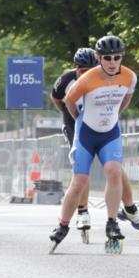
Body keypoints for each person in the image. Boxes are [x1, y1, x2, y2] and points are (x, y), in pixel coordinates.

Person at [49, 35, 136, 252]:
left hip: (110, 132)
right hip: (86, 132)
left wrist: (115, 113)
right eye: (107, 57)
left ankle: (112, 222)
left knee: (114, 171)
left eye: (117, 57)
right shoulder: (86, 78)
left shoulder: (130, 76)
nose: (112, 61)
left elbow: (126, 98)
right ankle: (62, 225)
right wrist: (79, 119)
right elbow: (68, 100)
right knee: (79, 181)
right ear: (99, 58)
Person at [50, 47, 97, 233]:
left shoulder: (102, 78)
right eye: (84, 72)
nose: (88, 75)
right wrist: (66, 112)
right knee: (81, 167)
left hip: (94, 122)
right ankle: (82, 210)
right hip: (73, 123)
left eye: (92, 71)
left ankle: (127, 206)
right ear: (76, 69)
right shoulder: (65, 79)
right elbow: (55, 98)